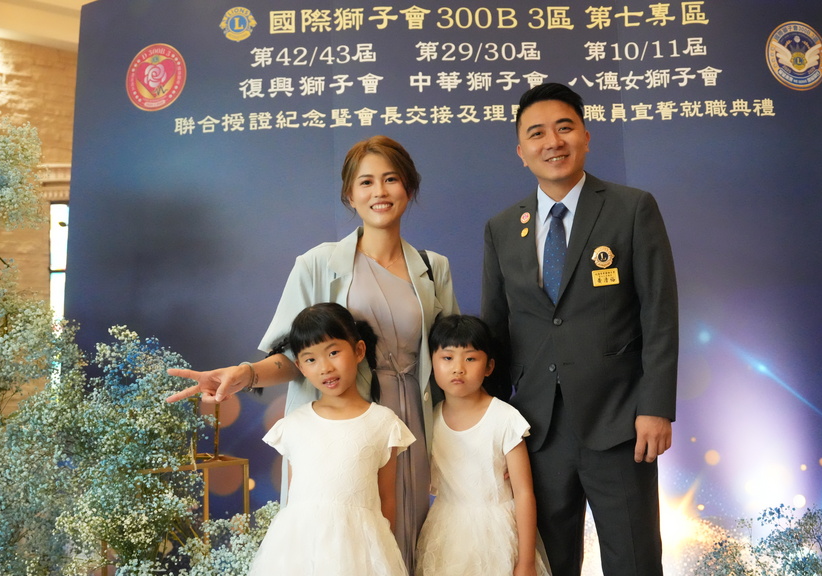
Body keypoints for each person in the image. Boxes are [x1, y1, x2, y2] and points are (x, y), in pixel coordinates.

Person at [166, 135, 459, 572]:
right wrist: (243, 374)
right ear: (349, 195)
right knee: (339, 545)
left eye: (391, 179)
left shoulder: (434, 268)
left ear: (409, 187)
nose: (379, 192)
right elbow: (292, 356)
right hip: (339, 430)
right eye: (366, 182)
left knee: (404, 539)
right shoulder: (317, 264)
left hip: (410, 422)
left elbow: (451, 360)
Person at [481, 83, 679, 575]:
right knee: (550, 563)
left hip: (620, 422)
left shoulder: (632, 208)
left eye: (564, 128)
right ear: (521, 151)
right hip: (536, 429)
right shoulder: (502, 228)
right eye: (537, 133)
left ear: (586, 136)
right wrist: (492, 428)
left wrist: (655, 407)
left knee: (634, 560)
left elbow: (659, 314)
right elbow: (495, 331)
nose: (553, 142)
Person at [248, 303, 415, 575]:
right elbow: (293, 502)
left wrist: (381, 555)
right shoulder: (294, 425)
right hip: (300, 554)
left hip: (360, 555)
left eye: (334, 352)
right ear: (300, 366)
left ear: (358, 350)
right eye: (310, 359)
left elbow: (387, 500)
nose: (325, 367)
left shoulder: (383, 423)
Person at [415, 315, 550, 576]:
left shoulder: (505, 418)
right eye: (447, 358)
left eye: (470, 359)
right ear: (431, 362)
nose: (458, 368)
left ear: (489, 367)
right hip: (446, 534)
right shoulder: (431, 418)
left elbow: (524, 493)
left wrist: (526, 562)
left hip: (497, 535)